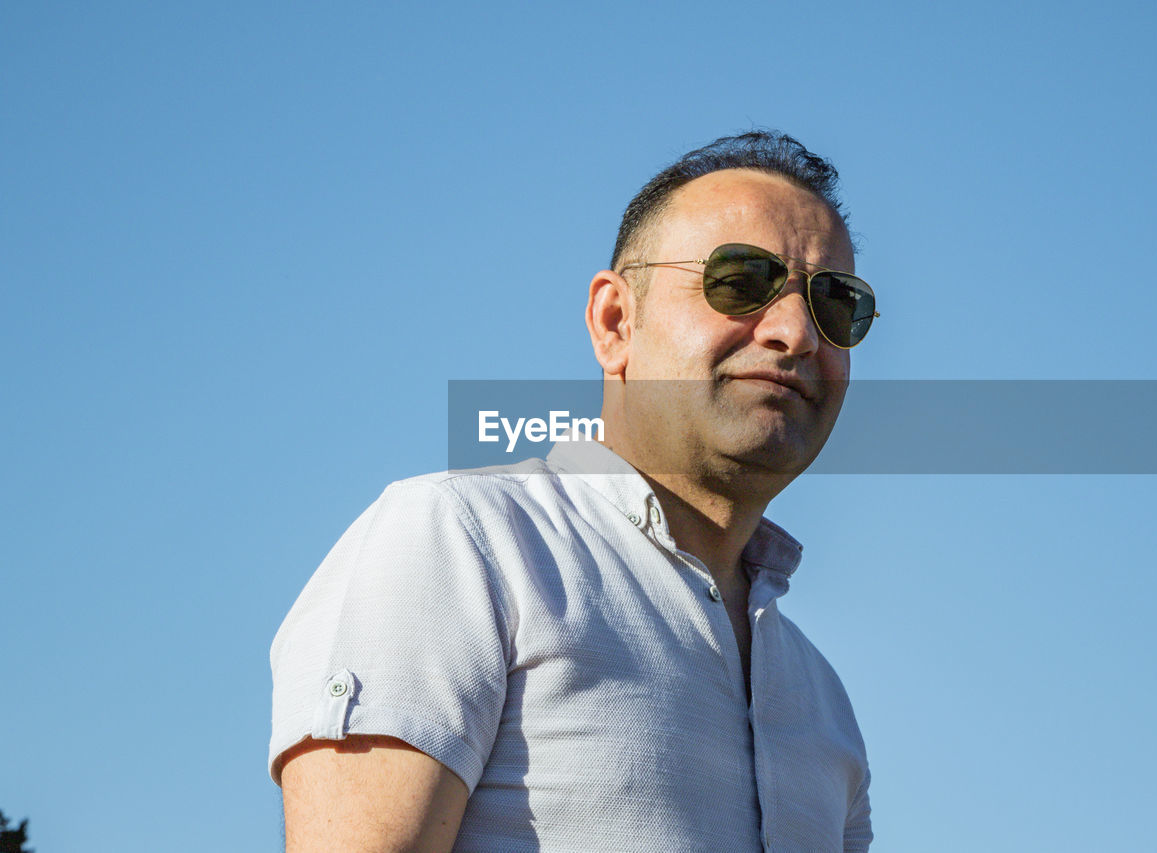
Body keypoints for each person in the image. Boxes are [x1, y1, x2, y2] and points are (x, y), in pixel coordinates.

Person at [269, 130, 879, 852]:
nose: (796, 333)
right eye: (742, 280)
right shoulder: (460, 540)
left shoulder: (824, 703)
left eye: (834, 303)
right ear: (616, 321)